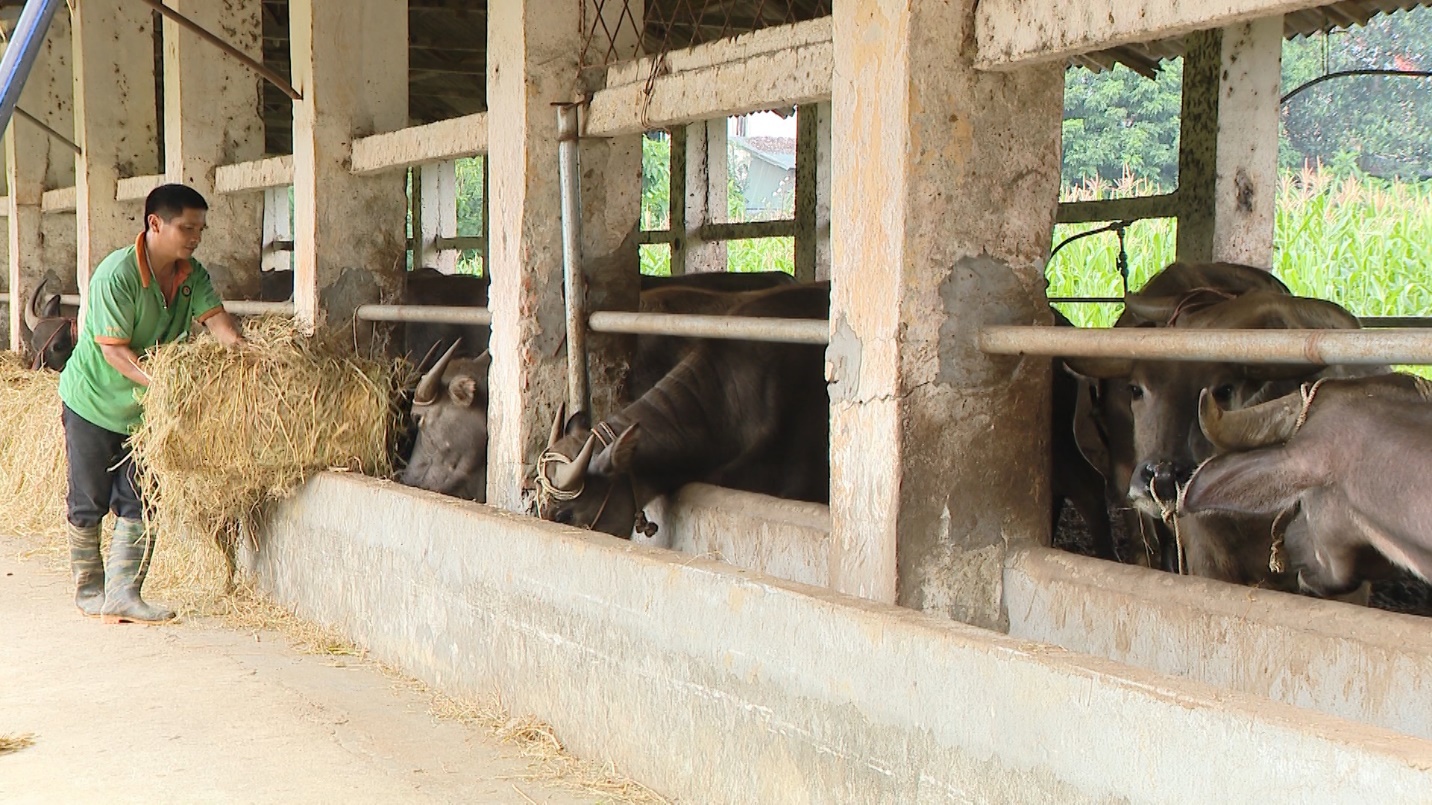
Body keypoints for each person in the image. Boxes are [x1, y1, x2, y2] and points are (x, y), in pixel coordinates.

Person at [59, 183, 245, 624]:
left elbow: (218, 324)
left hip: (147, 411)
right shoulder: (117, 274)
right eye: (187, 228)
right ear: (155, 224)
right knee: (89, 497)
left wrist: (247, 356)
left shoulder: (191, 274)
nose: (195, 237)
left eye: (200, 229)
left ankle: (124, 593)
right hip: (95, 402)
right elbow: (114, 351)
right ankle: (90, 590)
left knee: (143, 497)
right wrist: (165, 387)